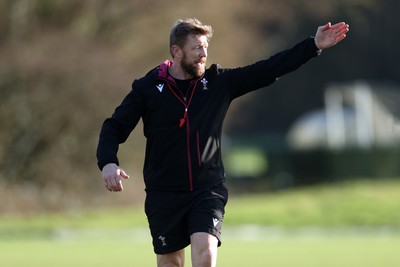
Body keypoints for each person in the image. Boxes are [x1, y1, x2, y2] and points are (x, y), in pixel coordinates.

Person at [96, 18, 349, 267]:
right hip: (164, 193)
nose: (203, 54)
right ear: (176, 51)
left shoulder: (218, 83)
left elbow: (268, 69)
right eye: (196, 48)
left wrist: (313, 45)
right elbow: (114, 126)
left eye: (205, 47)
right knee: (169, 263)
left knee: (205, 254)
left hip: (207, 190)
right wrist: (108, 162)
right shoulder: (147, 88)